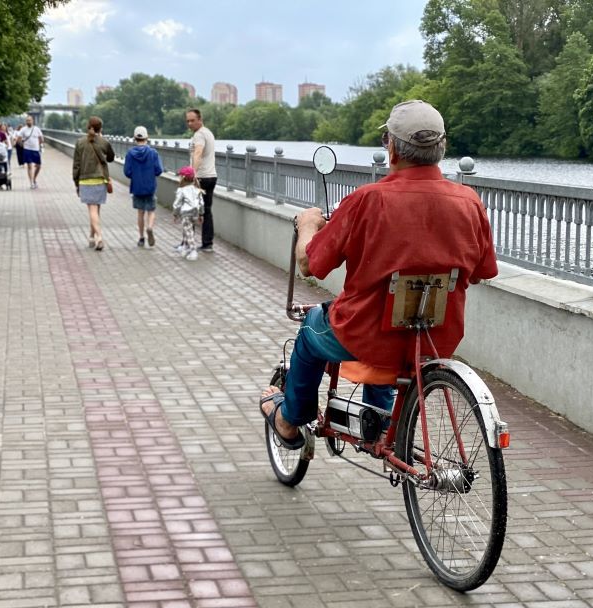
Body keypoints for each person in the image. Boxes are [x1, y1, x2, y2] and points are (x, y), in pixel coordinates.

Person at [259, 100, 498, 449]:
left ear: (392, 148)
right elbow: (483, 271)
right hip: (435, 337)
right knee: (394, 333)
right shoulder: (469, 201)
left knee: (312, 330)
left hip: (365, 334)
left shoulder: (367, 200)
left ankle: (289, 421)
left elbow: (312, 265)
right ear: (440, 149)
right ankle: (382, 424)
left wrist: (309, 226)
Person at [72, 116, 115, 251]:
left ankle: (99, 237)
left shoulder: (80, 142)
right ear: (100, 128)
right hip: (100, 179)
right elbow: (111, 158)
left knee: (92, 210)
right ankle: (92, 236)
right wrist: (101, 139)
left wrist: (76, 182)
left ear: (88, 127)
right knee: (96, 210)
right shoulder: (104, 142)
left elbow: (76, 165)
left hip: (85, 179)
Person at [123, 125, 163, 248]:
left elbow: (127, 172)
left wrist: (135, 176)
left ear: (135, 138)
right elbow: (159, 170)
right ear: (147, 138)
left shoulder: (130, 153)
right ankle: (150, 227)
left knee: (140, 212)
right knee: (151, 211)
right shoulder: (153, 153)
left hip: (137, 187)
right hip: (150, 186)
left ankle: (141, 238)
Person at [185, 108, 217, 253]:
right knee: (207, 211)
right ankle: (207, 243)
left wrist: (193, 174)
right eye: (188, 121)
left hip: (201, 178)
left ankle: (188, 242)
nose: (189, 123)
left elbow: (197, 153)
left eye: (192, 120)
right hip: (211, 176)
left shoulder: (199, 135)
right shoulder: (208, 133)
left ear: (200, 119)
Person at [172, 166, 204, 261]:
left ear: (183, 178)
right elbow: (201, 203)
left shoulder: (181, 190)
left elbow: (177, 204)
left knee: (188, 232)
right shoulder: (197, 189)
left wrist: (175, 214)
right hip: (195, 214)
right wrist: (201, 214)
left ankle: (193, 250)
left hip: (186, 214)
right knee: (188, 230)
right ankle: (185, 247)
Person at [16, 115, 44, 188]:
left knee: (38, 166)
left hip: (35, 149)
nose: (28, 122)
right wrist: (22, 145)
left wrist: (39, 144)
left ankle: (34, 179)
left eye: (30, 120)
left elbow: (41, 138)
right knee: (29, 166)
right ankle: (31, 182)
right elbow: (18, 139)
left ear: (32, 121)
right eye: (27, 120)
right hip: (27, 149)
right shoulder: (23, 129)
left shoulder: (37, 129)